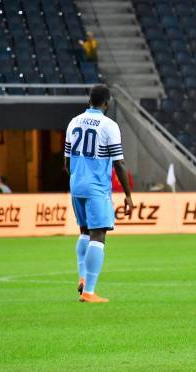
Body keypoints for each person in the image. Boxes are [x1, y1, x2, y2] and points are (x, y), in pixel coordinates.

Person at [64, 84, 133, 303]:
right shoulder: (108, 125)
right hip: (96, 188)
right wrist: (128, 195)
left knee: (84, 231)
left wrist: (77, 177)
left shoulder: (73, 122)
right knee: (98, 235)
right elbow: (119, 164)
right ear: (107, 103)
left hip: (76, 185)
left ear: (89, 101)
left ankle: (82, 277)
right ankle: (89, 291)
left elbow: (66, 162)